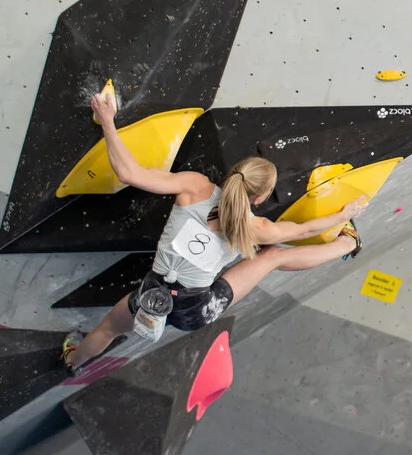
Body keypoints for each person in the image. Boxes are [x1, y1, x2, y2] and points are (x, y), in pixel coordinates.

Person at [61, 92, 366, 374]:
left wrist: (108, 121)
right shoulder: (258, 228)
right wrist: (344, 214)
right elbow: (305, 229)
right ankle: (347, 243)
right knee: (271, 256)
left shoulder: (194, 187)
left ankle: (73, 360)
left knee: (108, 329)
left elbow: (128, 173)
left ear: (234, 173)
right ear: (259, 199)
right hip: (196, 309)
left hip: (153, 294)